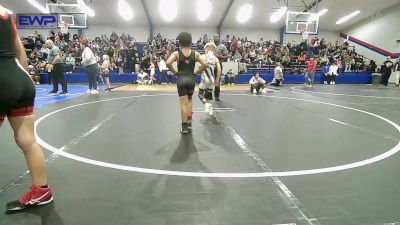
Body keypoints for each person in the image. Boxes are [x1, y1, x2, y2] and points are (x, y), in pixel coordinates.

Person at [0, 5, 53, 211]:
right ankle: (41, 192)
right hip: (21, 79)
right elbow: (21, 54)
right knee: (28, 141)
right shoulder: (6, 15)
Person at [166, 32, 208, 134]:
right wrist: (196, 72)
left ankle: (184, 127)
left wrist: (175, 72)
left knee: (183, 104)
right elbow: (205, 64)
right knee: (189, 101)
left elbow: (168, 63)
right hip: (191, 79)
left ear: (179, 42)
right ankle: (189, 119)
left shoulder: (176, 53)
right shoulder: (196, 54)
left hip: (181, 79)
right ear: (190, 42)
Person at [198, 42, 221, 116]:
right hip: (212, 79)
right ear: (213, 50)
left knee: (200, 94)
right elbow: (219, 70)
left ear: (206, 49)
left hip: (205, 79)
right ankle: (211, 109)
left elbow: (199, 67)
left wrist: (198, 72)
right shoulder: (215, 58)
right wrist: (217, 80)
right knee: (210, 95)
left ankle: (206, 104)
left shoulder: (202, 56)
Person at [213, 34, 228, 101]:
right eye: (215, 36)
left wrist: (219, 56)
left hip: (218, 65)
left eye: (217, 36)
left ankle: (217, 96)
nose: (216, 37)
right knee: (208, 81)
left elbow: (226, 58)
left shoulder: (222, 47)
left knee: (217, 81)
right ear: (213, 38)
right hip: (209, 66)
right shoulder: (209, 46)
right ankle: (208, 96)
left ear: (219, 38)